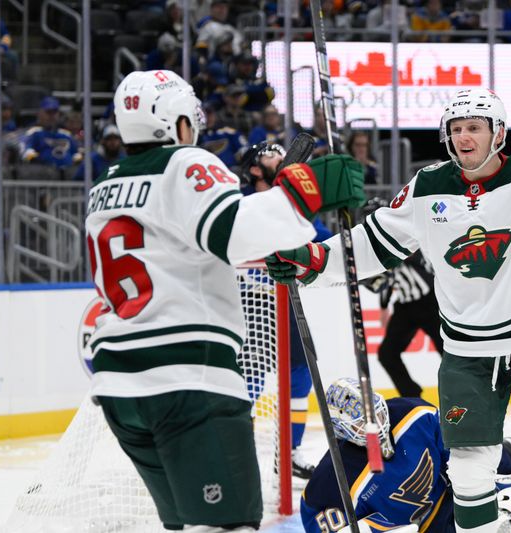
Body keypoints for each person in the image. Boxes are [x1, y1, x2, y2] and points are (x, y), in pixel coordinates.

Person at [267, 88, 511, 533]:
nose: (463, 137)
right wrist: (313, 259)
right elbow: (373, 243)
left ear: (499, 133)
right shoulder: (427, 186)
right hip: (469, 349)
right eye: (455, 129)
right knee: (470, 470)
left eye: (474, 127)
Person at [84, 69, 365, 532]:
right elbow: (235, 233)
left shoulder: (104, 184)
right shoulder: (187, 164)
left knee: (188, 525)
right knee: (226, 525)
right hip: (187, 377)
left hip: (119, 385)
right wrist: (305, 189)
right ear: (176, 123)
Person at [300, 378, 511, 533]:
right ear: (344, 432)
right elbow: (316, 519)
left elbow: (458, 446)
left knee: (507, 461)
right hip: (413, 527)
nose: (376, 424)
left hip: (450, 498)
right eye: (362, 424)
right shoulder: (333, 477)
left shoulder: (412, 413)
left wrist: (504, 463)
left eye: (376, 414)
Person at [239, 140, 332, 479]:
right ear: (253, 169)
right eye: (270, 154)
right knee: (249, 379)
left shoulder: (295, 208)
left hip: (287, 299)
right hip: (251, 302)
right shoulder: (243, 203)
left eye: (281, 153)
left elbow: (323, 243)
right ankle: (239, 453)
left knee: (301, 374)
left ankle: (289, 451)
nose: (279, 156)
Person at [361, 197, 443, 398]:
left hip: (430, 302)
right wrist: (382, 303)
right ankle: (413, 397)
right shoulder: (379, 246)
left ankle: (461, 394)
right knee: (387, 354)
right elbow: (385, 281)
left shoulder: (407, 236)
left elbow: (406, 263)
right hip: (405, 307)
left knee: (450, 353)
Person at [19, 96, 82, 169]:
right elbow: (25, 151)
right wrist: (36, 159)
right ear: (40, 113)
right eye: (48, 112)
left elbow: (77, 153)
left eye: (54, 112)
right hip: (42, 174)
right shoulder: (33, 133)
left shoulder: (66, 134)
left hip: (67, 174)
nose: (52, 116)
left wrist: (77, 159)